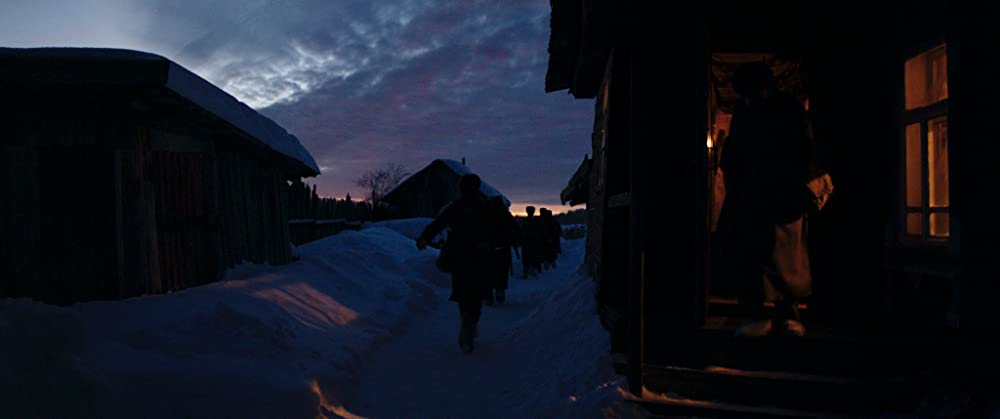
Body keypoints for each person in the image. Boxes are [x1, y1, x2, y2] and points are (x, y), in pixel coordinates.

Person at [714, 61, 821, 338]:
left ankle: (788, 312)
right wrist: (733, 172)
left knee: (786, 258)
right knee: (751, 255)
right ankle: (755, 313)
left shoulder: (787, 110)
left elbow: (803, 150)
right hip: (751, 195)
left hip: (782, 193)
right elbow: (736, 149)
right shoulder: (745, 111)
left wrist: (795, 183)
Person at [417, 174, 494, 353]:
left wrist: (424, 238)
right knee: (476, 294)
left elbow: (437, 224)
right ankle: (469, 325)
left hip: (458, 256)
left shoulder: (454, 207)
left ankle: (466, 324)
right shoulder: (486, 206)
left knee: (462, 293)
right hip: (480, 257)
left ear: (461, 188)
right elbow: (496, 229)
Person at [485, 196, 515, 305]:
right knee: (501, 272)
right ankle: (499, 293)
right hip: (502, 249)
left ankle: (488, 296)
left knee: (488, 273)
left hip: (488, 250)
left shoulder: (485, 216)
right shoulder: (506, 215)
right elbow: (515, 230)